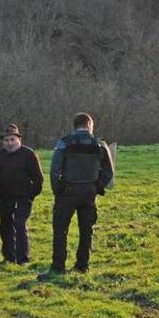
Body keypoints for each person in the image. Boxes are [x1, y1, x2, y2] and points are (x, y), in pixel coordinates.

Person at [39, 112, 114, 280]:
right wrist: (97, 187)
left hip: (68, 192)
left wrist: (57, 190)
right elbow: (109, 172)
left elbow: (54, 170)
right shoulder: (99, 145)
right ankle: (82, 266)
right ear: (89, 125)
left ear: (74, 126)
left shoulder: (65, 143)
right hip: (89, 193)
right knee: (86, 230)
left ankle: (58, 267)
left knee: (60, 230)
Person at [0, 124, 44, 265]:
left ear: (19, 139)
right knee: (5, 226)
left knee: (19, 224)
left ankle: (23, 258)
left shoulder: (29, 154)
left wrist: (30, 196)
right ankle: (8, 257)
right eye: (6, 140)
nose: (9, 143)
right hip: (4, 198)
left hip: (23, 197)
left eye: (12, 140)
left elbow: (38, 179)